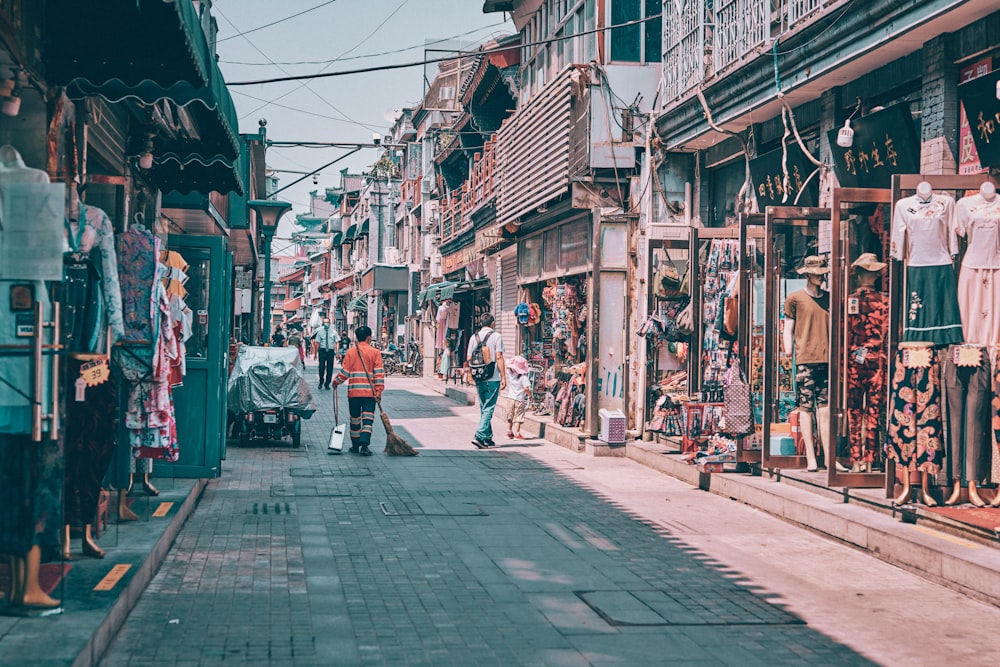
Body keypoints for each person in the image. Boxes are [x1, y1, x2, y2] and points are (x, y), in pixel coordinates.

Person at [331, 326, 384, 456]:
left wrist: (336, 382)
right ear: (368, 337)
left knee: (355, 419)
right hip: (369, 394)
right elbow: (379, 374)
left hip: (354, 393)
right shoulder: (375, 352)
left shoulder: (351, 352)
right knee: (368, 420)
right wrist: (378, 391)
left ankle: (355, 446)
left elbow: (345, 372)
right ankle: (364, 445)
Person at [466, 312, 506, 448]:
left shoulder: (473, 337)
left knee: (484, 407)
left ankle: (487, 438)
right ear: (492, 323)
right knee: (489, 408)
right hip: (493, 377)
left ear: (481, 324)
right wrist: (504, 376)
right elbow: (499, 357)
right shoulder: (496, 336)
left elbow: (469, 358)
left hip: (478, 376)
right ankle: (479, 435)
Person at [504, 355, 531, 440]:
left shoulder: (511, 375)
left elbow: (507, 365)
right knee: (518, 417)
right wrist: (530, 396)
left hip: (510, 398)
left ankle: (508, 432)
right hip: (519, 400)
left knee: (510, 416)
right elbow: (526, 388)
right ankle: (517, 434)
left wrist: (512, 362)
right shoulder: (524, 378)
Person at [312, 318, 339, 389]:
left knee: (330, 368)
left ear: (329, 323)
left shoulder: (333, 332)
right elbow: (317, 343)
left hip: (330, 351)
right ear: (323, 323)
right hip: (322, 351)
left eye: (327, 322)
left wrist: (337, 353)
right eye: (325, 322)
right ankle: (321, 382)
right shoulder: (320, 332)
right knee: (321, 367)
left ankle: (327, 383)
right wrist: (315, 354)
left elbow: (337, 342)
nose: (326, 324)